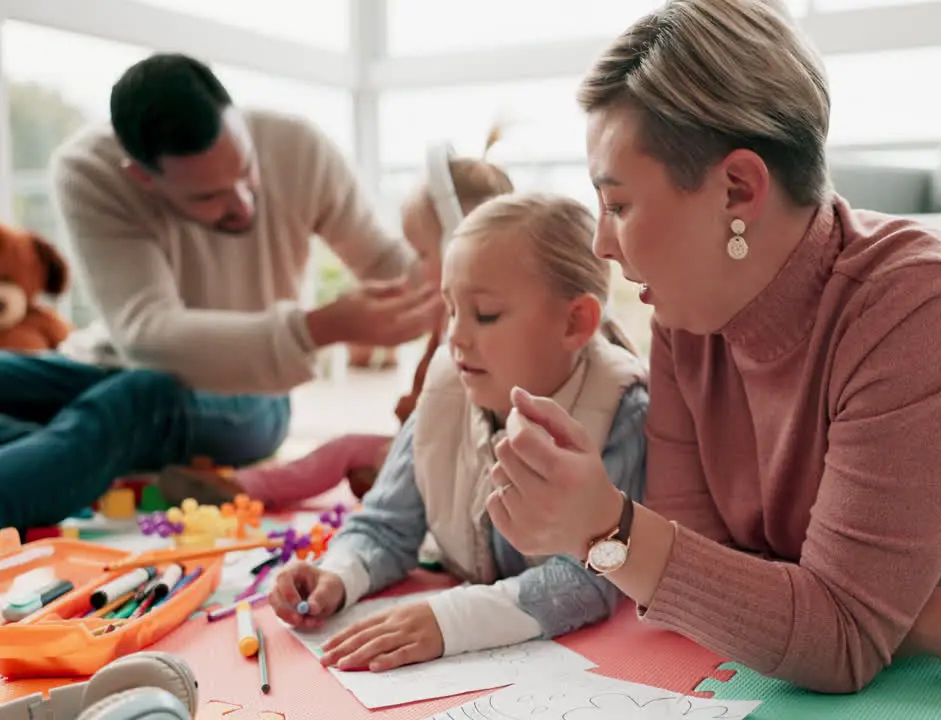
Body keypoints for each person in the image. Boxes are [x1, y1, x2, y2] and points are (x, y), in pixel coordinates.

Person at [484, 0, 941, 696]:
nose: (601, 244)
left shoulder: (929, 305)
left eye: (617, 204)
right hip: (940, 399)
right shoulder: (686, 310)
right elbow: (700, 577)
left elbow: (833, 640)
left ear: (738, 188)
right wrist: (935, 622)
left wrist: (606, 528)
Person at [0, 53, 437, 532]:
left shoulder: (297, 147)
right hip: (115, 365)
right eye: (208, 197)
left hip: (250, 394)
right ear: (142, 177)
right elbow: (147, 332)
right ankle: (80, 455)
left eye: (246, 171)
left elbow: (384, 263)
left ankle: (72, 456)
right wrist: (319, 327)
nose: (243, 203)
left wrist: (457, 269)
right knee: (99, 391)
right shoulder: (89, 170)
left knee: (139, 400)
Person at [268, 193, 649, 671]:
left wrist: (447, 621)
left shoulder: (623, 409)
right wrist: (337, 575)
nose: (456, 336)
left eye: (485, 314)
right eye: (451, 311)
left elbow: (593, 579)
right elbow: (386, 525)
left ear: (575, 323)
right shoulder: (447, 387)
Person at [159, 129, 515, 507]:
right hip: (425, 449)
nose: (412, 266)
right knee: (345, 450)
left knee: (352, 456)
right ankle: (242, 487)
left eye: (421, 253)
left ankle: (262, 487)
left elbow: (475, 417)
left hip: (464, 464)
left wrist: (416, 419)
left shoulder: (487, 334)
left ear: (458, 249)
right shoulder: (450, 321)